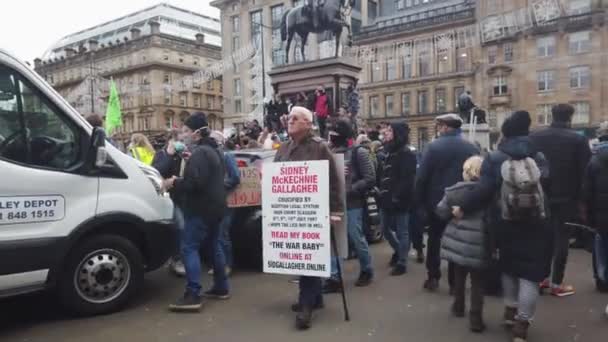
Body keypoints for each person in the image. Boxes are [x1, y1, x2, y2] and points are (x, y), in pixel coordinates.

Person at [454, 111, 552, 342]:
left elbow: (484, 190)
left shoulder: (495, 157)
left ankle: (509, 312)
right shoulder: (537, 155)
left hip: (504, 222)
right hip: (536, 222)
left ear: (505, 133)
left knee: (508, 268)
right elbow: (548, 181)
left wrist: (462, 207)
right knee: (530, 275)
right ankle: (522, 324)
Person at [274, 106, 344, 330]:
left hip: (314, 212)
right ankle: (316, 299)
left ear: (307, 123)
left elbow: (333, 181)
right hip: (290, 212)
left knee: (310, 259)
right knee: (301, 256)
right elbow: (276, 178)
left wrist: (335, 210)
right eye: (289, 118)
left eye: (296, 118)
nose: (290, 121)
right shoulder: (283, 148)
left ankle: (306, 305)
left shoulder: (320, 147)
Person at [164, 113, 230, 312]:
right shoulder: (214, 150)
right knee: (214, 247)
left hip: (200, 210)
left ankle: (193, 294)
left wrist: (173, 181)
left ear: (197, 133)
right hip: (217, 209)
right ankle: (221, 287)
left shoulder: (201, 153)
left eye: (185, 131)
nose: (182, 135)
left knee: (188, 248)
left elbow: (194, 183)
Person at [530, 103, 592, 297]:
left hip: (540, 195)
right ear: (570, 118)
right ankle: (556, 282)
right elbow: (586, 172)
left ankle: (540, 279)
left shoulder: (535, 137)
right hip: (567, 197)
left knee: (541, 238)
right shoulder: (578, 139)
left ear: (551, 115)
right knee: (562, 240)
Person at [416, 113, 479, 292]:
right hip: (462, 202)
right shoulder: (471, 147)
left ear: (444, 127)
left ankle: (433, 277)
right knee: (457, 241)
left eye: (439, 126)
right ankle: (454, 282)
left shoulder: (433, 147)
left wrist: (419, 203)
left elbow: (422, 178)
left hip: (437, 202)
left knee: (435, 239)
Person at [436, 156, 487, 333]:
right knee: (478, 282)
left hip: (458, 240)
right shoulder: (487, 192)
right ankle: (476, 318)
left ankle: (458, 307)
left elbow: (441, 211)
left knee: (459, 275)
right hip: (480, 240)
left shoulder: (453, 191)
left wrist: (452, 213)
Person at [324, 119, 376, 292]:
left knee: (355, 236)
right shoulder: (329, 152)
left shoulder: (358, 152)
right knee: (334, 239)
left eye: (334, 134)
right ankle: (334, 277)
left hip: (353, 203)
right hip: (333, 202)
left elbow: (370, 178)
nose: (330, 137)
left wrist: (350, 188)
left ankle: (367, 269)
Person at [378, 122, 417, 276]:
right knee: (385, 229)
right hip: (386, 197)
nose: (386, 133)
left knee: (402, 231)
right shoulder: (389, 150)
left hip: (400, 199)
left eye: (390, 130)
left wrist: (397, 196)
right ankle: (400, 251)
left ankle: (402, 262)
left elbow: (407, 179)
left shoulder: (406, 153)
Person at [152, 129, 186, 277]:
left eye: (183, 141)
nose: (181, 144)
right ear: (170, 141)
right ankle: (176, 259)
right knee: (180, 226)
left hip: (183, 197)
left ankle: (179, 258)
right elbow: (156, 171)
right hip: (168, 198)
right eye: (179, 141)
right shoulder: (162, 154)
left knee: (184, 228)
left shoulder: (184, 155)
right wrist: (169, 155)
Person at [208, 130, 240, 276]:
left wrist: (218, 185)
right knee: (215, 235)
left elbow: (235, 178)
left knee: (222, 234)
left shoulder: (226, 156)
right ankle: (218, 264)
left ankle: (227, 265)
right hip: (213, 202)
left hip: (226, 201)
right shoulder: (209, 157)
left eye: (214, 139)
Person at [581, 121, 608, 294]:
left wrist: (587, 215)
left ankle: (602, 279)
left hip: (601, 213)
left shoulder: (594, 158)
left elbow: (587, 191)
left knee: (601, 245)